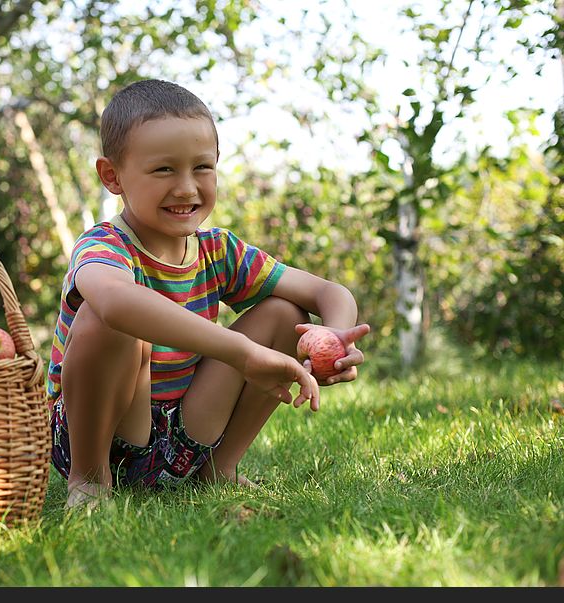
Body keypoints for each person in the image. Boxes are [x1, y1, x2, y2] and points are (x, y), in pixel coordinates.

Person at [46, 79, 371, 508]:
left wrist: (334, 338)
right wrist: (241, 351)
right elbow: (115, 302)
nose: (186, 187)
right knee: (109, 320)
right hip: (104, 433)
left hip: (185, 437)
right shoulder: (104, 246)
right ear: (113, 176)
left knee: (283, 312)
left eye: (201, 167)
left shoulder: (218, 249)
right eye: (164, 169)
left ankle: (217, 472)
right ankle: (89, 483)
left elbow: (328, 292)